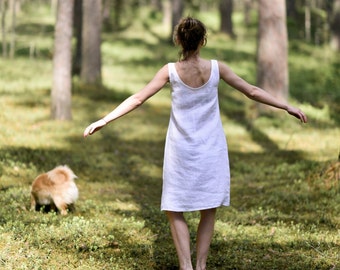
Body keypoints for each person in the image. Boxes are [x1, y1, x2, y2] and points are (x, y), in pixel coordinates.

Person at [83, 17, 307, 270]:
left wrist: (105, 119)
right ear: (202, 41)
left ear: (178, 40)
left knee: (174, 207)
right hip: (211, 148)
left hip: (180, 150)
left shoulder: (169, 71)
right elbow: (252, 91)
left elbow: (137, 99)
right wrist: (286, 106)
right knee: (208, 209)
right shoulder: (216, 68)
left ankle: (186, 266)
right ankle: (200, 266)